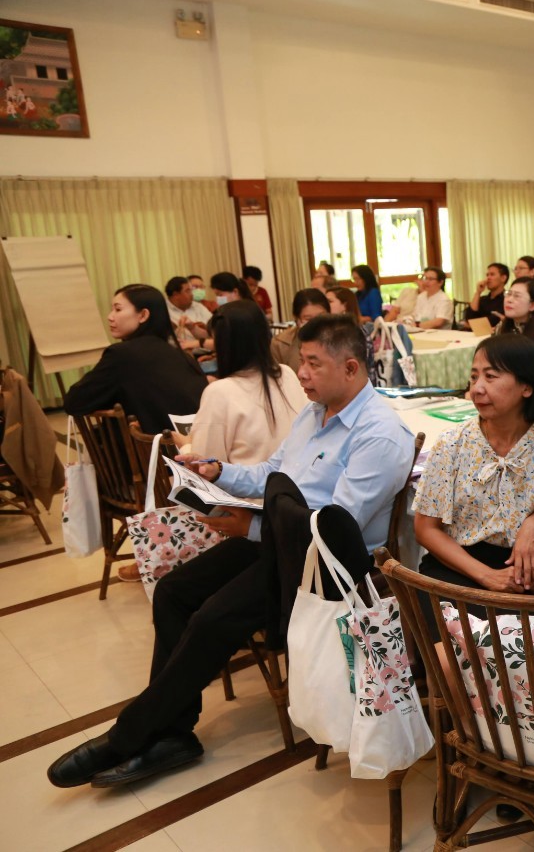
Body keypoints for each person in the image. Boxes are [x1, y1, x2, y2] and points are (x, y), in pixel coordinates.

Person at [47, 316, 415, 789]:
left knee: (212, 619)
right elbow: (272, 473)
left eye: (312, 363)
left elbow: (336, 528)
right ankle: (173, 733)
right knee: (174, 591)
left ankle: (127, 736)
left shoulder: (379, 434)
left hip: (324, 566)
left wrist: (252, 526)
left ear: (350, 367)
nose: (301, 374)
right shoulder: (314, 413)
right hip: (280, 541)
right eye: (300, 362)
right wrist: (218, 472)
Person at [413, 334, 534, 596]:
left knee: (531, 622)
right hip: (456, 564)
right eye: (474, 377)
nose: (477, 389)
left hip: (522, 568)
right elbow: (426, 529)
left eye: (490, 376)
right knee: (453, 622)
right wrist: (488, 577)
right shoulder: (452, 443)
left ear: (526, 387)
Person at [64, 284, 207, 436]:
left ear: (143, 315)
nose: (110, 316)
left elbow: (74, 402)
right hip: (194, 444)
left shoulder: (122, 354)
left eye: (118, 309)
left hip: (151, 445)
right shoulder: (180, 354)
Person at [189, 301, 309, 465]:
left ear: (224, 346)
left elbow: (205, 465)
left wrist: (185, 445)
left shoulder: (219, 392)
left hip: (248, 480)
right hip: (297, 475)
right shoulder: (286, 373)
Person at [271, 289, 330, 372]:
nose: (316, 324)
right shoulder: (280, 344)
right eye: (308, 319)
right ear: (297, 319)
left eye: (321, 317)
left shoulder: (341, 339)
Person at [496, 276, 534, 354]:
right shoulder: (501, 327)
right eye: (508, 294)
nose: (509, 300)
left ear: (533, 305)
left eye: (517, 296)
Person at [165, 276, 212, 350]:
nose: (192, 294)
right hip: (180, 354)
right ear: (176, 295)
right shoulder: (163, 310)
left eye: (191, 290)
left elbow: (214, 329)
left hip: (209, 351)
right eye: (188, 291)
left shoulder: (198, 306)